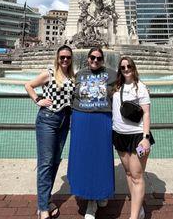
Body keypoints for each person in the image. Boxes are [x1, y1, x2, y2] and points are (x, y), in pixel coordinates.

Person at [25, 45, 75, 219]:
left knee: (54, 162)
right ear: (57, 58)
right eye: (62, 57)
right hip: (48, 119)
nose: (65, 60)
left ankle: (45, 200)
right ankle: (43, 207)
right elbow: (29, 85)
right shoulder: (49, 72)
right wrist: (37, 99)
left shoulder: (72, 76)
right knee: (46, 163)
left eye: (68, 57)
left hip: (64, 120)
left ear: (71, 58)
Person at [67, 47, 117, 219]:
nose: (95, 61)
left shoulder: (112, 74)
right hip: (82, 119)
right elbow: (67, 93)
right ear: (88, 59)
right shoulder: (79, 74)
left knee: (101, 158)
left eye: (98, 58)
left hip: (102, 120)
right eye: (92, 58)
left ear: (103, 60)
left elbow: (126, 87)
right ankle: (91, 201)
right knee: (85, 159)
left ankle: (101, 192)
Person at [112, 56, 153, 219]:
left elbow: (146, 113)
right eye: (123, 67)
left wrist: (146, 137)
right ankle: (139, 210)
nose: (126, 69)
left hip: (137, 137)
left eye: (129, 66)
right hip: (120, 136)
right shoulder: (117, 86)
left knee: (137, 175)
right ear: (120, 70)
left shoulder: (140, 87)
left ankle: (134, 216)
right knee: (129, 173)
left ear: (134, 68)